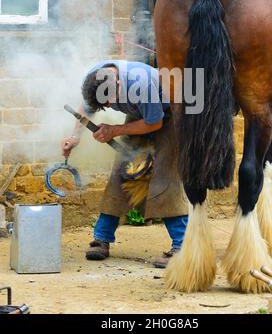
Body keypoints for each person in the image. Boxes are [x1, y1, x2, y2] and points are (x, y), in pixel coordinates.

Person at [61, 60, 188, 268]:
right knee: (122, 173)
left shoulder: (142, 85)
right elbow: (86, 108)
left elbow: (154, 123)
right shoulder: (95, 78)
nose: (109, 106)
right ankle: (102, 237)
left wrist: (114, 130)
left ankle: (182, 244)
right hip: (140, 116)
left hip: (168, 116)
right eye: (105, 103)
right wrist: (75, 137)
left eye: (111, 101)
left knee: (164, 177)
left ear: (119, 83)